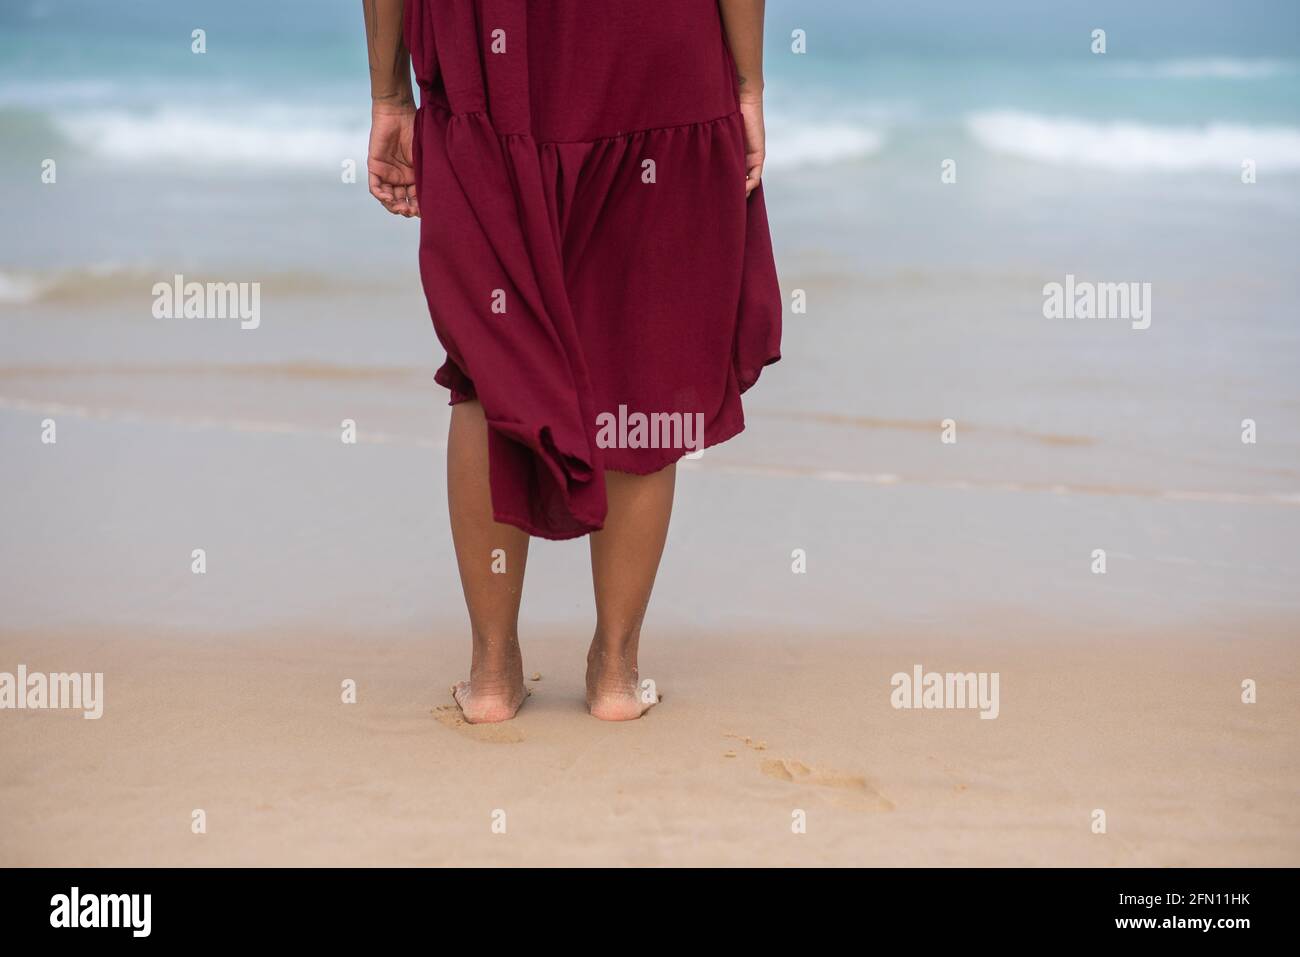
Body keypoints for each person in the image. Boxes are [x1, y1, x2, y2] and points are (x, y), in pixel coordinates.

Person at [362, 0, 781, 721]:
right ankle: (615, 673)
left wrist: (389, 92)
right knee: (649, 348)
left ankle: (492, 675)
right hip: (653, 45)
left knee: (490, 355)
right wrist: (749, 84)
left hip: (486, 60)